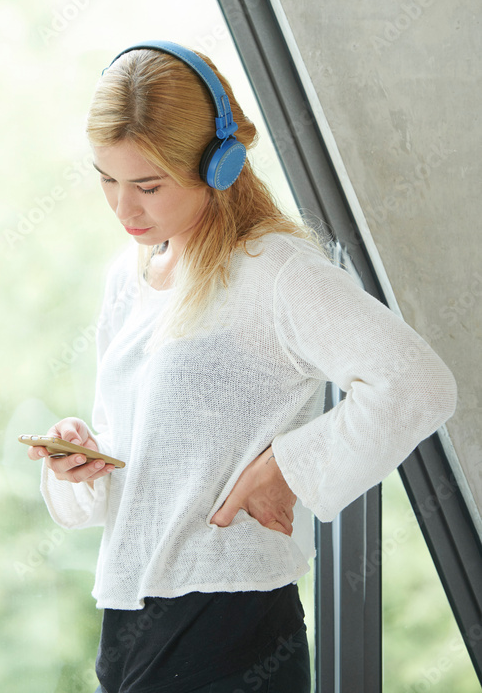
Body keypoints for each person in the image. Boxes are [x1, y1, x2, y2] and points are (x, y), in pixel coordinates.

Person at [28, 41, 457, 693]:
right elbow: (139, 460)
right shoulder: (130, 276)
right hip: (128, 627)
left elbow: (419, 385)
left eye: (147, 186)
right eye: (107, 180)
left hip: (230, 631)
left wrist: (286, 468)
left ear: (219, 165)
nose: (123, 209)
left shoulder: (273, 271)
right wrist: (83, 461)